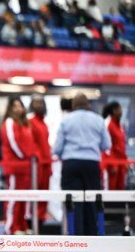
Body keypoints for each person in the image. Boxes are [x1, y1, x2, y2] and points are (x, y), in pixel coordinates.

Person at [53, 93, 111, 235]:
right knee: (92, 202)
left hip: (71, 164)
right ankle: (91, 239)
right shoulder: (98, 120)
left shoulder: (66, 121)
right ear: (88, 105)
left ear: (73, 105)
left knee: (73, 203)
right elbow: (106, 144)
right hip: (91, 164)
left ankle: (76, 240)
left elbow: (57, 148)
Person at [1, 96, 35, 235]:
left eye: (20, 105)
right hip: (14, 167)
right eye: (15, 106)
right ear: (10, 108)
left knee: (23, 198)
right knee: (13, 198)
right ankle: (11, 227)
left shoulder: (25, 124)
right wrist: (24, 155)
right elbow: (12, 142)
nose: (18, 109)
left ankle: (22, 225)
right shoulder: (9, 122)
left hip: (26, 166)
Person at [28, 96, 52, 223]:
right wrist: (37, 157)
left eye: (40, 102)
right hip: (37, 164)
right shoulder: (30, 122)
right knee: (35, 191)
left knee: (45, 191)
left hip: (47, 162)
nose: (38, 105)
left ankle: (41, 217)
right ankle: (33, 218)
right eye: (36, 103)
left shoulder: (44, 123)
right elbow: (31, 142)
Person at [102, 102, 127, 190]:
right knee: (111, 189)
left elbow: (122, 145)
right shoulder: (107, 123)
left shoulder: (120, 126)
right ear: (114, 111)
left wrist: (125, 161)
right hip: (112, 164)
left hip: (121, 163)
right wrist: (112, 163)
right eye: (120, 109)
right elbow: (106, 146)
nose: (121, 111)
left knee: (121, 189)